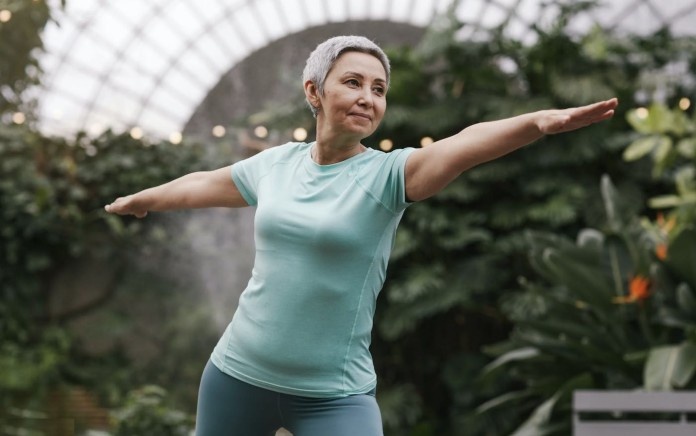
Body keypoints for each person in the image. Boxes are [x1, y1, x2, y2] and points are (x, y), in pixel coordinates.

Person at [104, 35, 618, 435]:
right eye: (352, 82)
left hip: (334, 395)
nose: (368, 98)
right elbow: (202, 184)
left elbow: (464, 144)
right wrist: (144, 198)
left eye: (379, 89)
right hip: (236, 375)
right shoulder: (275, 166)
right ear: (314, 91)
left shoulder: (390, 177)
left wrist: (538, 123)